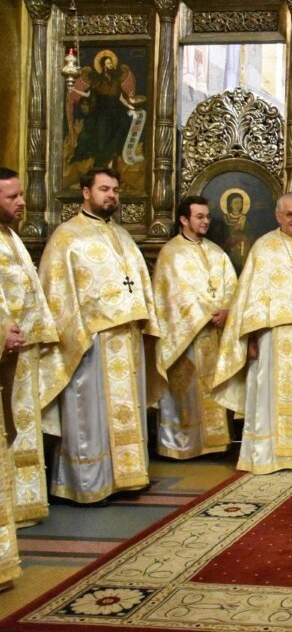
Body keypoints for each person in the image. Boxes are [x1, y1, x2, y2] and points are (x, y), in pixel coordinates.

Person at [38, 167, 159, 503]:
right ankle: (87, 483)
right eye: (104, 189)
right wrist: (76, 334)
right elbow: (56, 292)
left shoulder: (122, 236)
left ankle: (128, 476)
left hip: (128, 339)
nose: (112, 196)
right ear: (86, 192)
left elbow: (138, 285)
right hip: (91, 341)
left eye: (116, 190)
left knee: (126, 411)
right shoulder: (67, 236)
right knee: (88, 413)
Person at [212, 194, 292, 474]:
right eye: (291, 214)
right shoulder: (264, 248)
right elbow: (248, 298)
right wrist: (248, 338)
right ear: (278, 216)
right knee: (269, 396)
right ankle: (266, 456)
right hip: (272, 339)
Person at [151, 196, 238, 460]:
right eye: (199, 217)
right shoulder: (170, 253)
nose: (206, 221)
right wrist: (202, 315)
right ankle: (182, 446)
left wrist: (227, 311)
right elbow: (170, 298)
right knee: (186, 392)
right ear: (184, 219)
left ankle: (215, 443)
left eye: (207, 216)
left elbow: (232, 286)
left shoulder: (216, 252)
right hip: (186, 337)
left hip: (215, 334)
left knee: (214, 388)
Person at [0, 168, 58, 526]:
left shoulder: (10, 236)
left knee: (23, 424)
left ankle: (25, 501)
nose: (22, 202)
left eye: (21, 195)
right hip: (6, 351)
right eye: (12, 197)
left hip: (24, 349)